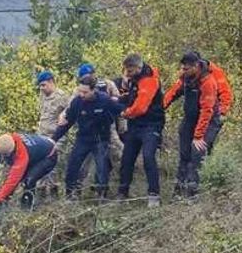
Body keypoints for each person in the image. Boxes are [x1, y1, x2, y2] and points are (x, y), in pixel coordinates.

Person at [162, 51, 232, 198]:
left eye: (186, 68)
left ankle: (192, 193)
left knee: (197, 153)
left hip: (209, 120)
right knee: (184, 154)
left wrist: (199, 135)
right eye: (182, 68)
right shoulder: (186, 78)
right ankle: (179, 191)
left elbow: (207, 110)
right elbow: (172, 93)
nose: (183, 71)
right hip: (190, 118)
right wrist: (159, 109)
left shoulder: (208, 81)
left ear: (195, 66)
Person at [55, 75, 125, 199]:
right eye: (80, 91)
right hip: (83, 138)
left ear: (93, 90)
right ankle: (70, 193)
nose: (82, 94)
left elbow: (121, 111)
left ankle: (101, 194)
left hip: (101, 138)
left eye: (85, 92)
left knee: (102, 166)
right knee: (73, 164)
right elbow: (68, 122)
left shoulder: (104, 100)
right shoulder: (77, 101)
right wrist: (53, 139)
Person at [115, 53, 165, 205]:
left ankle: (154, 195)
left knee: (148, 157)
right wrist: (119, 100)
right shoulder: (134, 80)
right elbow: (131, 98)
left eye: (129, 71)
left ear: (137, 67)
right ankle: (122, 192)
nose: (127, 74)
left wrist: (125, 113)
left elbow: (141, 107)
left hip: (151, 124)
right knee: (127, 158)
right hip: (135, 125)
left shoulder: (149, 81)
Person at [0, 132, 60, 208]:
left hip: (49, 156)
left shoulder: (22, 156)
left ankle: (26, 209)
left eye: (7, 155)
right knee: (9, 179)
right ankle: (3, 205)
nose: (4, 158)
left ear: (13, 149)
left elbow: (12, 182)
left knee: (29, 180)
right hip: (38, 150)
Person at [77, 62, 126, 165]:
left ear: (93, 74)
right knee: (86, 153)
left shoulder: (107, 84)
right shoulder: (81, 88)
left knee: (116, 145)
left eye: (89, 75)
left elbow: (119, 102)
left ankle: (128, 164)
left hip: (107, 122)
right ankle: (80, 177)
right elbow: (73, 105)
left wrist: (122, 125)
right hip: (88, 124)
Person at [35, 71, 71, 196]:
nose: (42, 88)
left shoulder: (61, 96)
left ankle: (54, 193)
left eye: (44, 85)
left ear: (51, 82)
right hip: (42, 135)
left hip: (56, 136)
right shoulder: (42, 95)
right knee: (39, 164)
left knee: (52, 166)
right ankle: (41, 193)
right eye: (40, 85)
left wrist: (64, 118)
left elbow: (70, 112)